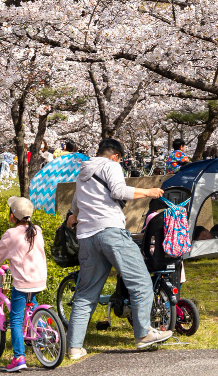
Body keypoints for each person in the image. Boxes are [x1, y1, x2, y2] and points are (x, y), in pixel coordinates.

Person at [65, 138, 172, 359]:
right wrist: (149, 192)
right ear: (116, 156)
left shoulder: (82, 174)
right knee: (141, 280)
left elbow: (75, 208)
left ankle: (74, 347)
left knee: (85, 293)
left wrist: (74, 219)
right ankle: (143, 334)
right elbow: (118, 190)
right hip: (111, 231)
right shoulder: (110, 165)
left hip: (86, 237)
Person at [0, 197, 47, 373]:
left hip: (22, 283)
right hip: (39, 280)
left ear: (12, 216)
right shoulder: (37, 230)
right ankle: (42, 333)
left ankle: (19, 358)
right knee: (32, 309)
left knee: (15, 320)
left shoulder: (11, 234)